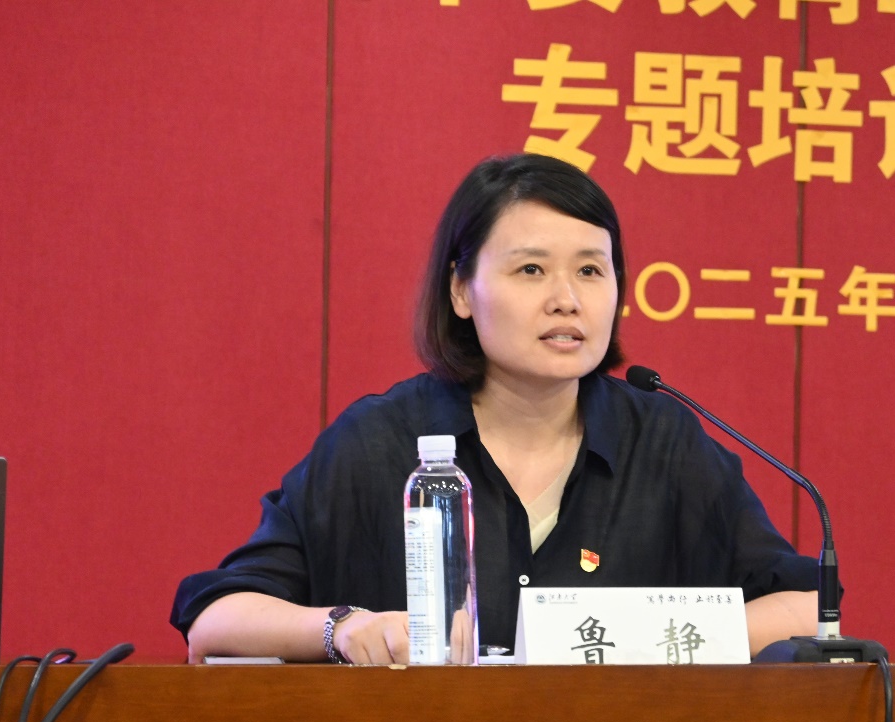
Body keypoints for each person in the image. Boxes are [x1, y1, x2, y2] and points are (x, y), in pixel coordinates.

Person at [171, 153, 820, 664]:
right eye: (531, 270)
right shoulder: (379, 442)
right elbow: (216, 621)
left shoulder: (664, 442)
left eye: (591, 271)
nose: (567, 299)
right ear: (461, 290)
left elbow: (809, 610)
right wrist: (342, 629)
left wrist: (644, 639)